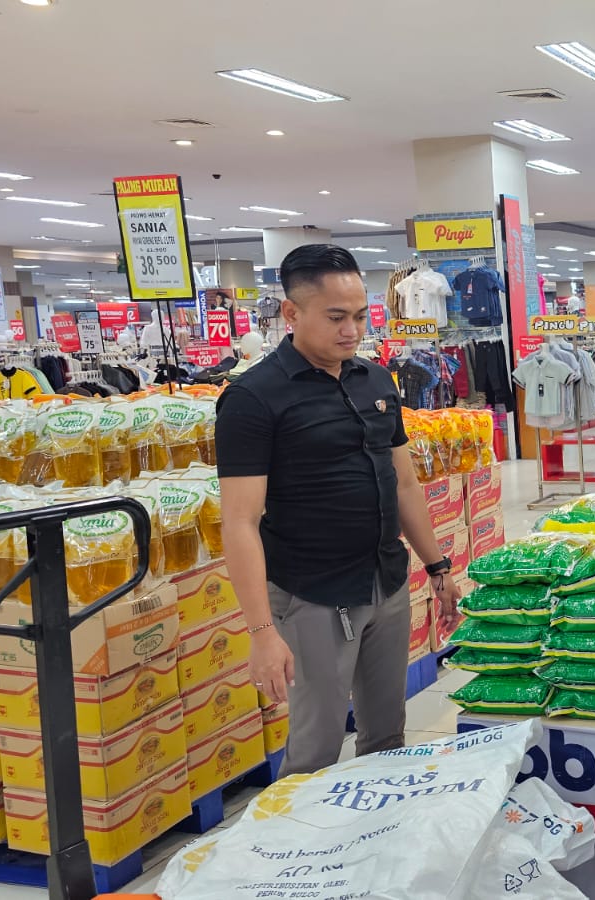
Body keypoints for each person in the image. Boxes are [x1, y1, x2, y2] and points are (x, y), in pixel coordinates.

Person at [215, 244, 460, 776]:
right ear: (291, 312)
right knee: (316, 747)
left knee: (388, 734)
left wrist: (437, 566)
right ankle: (295, 832)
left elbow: (403, 482)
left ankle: (378, 824)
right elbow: (239, 522)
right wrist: (261, 632)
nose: (351, 331)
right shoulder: (253, 398)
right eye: (335, 317)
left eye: (359, 316)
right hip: (313, 594)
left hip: (385, 581)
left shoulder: (375, 380)